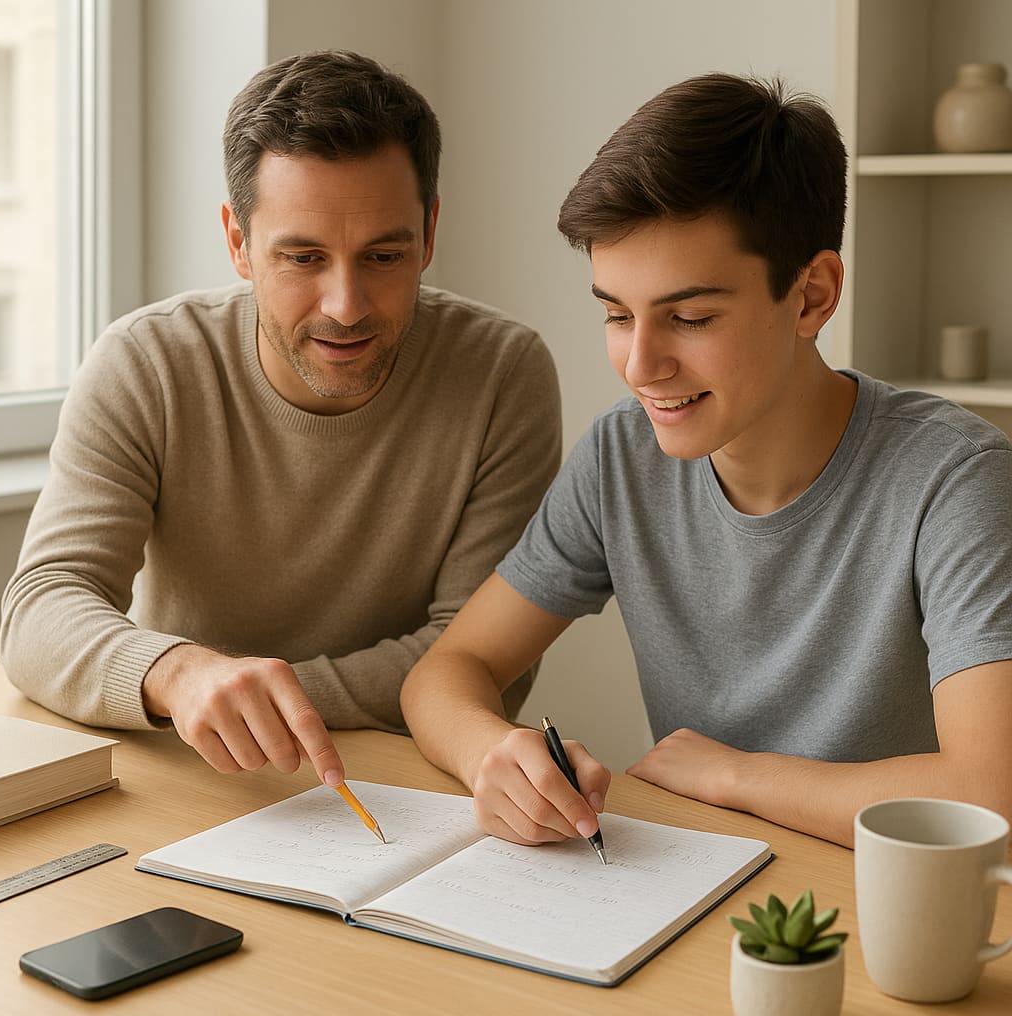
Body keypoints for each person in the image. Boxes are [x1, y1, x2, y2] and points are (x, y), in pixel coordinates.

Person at [401, 72, 1012, 849]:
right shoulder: (621, 458)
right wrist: (491, 753)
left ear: (812, 295)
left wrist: (736, 775)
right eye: (617, 314)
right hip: (698, 883)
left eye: (689, 317)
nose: (640, 365)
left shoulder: (957, 479)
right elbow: (448, 669)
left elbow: (991, 795)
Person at [0, 50, 561, 790]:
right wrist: (179, 675)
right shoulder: (147, 362)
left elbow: (475, 659)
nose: (345, 305)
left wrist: (254, 699)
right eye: (302, 257)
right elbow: (41, 609)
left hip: (398, 782)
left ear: (429, 233)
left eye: (383, 256)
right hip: (187, 770)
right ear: (238, 241)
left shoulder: (503, 373)